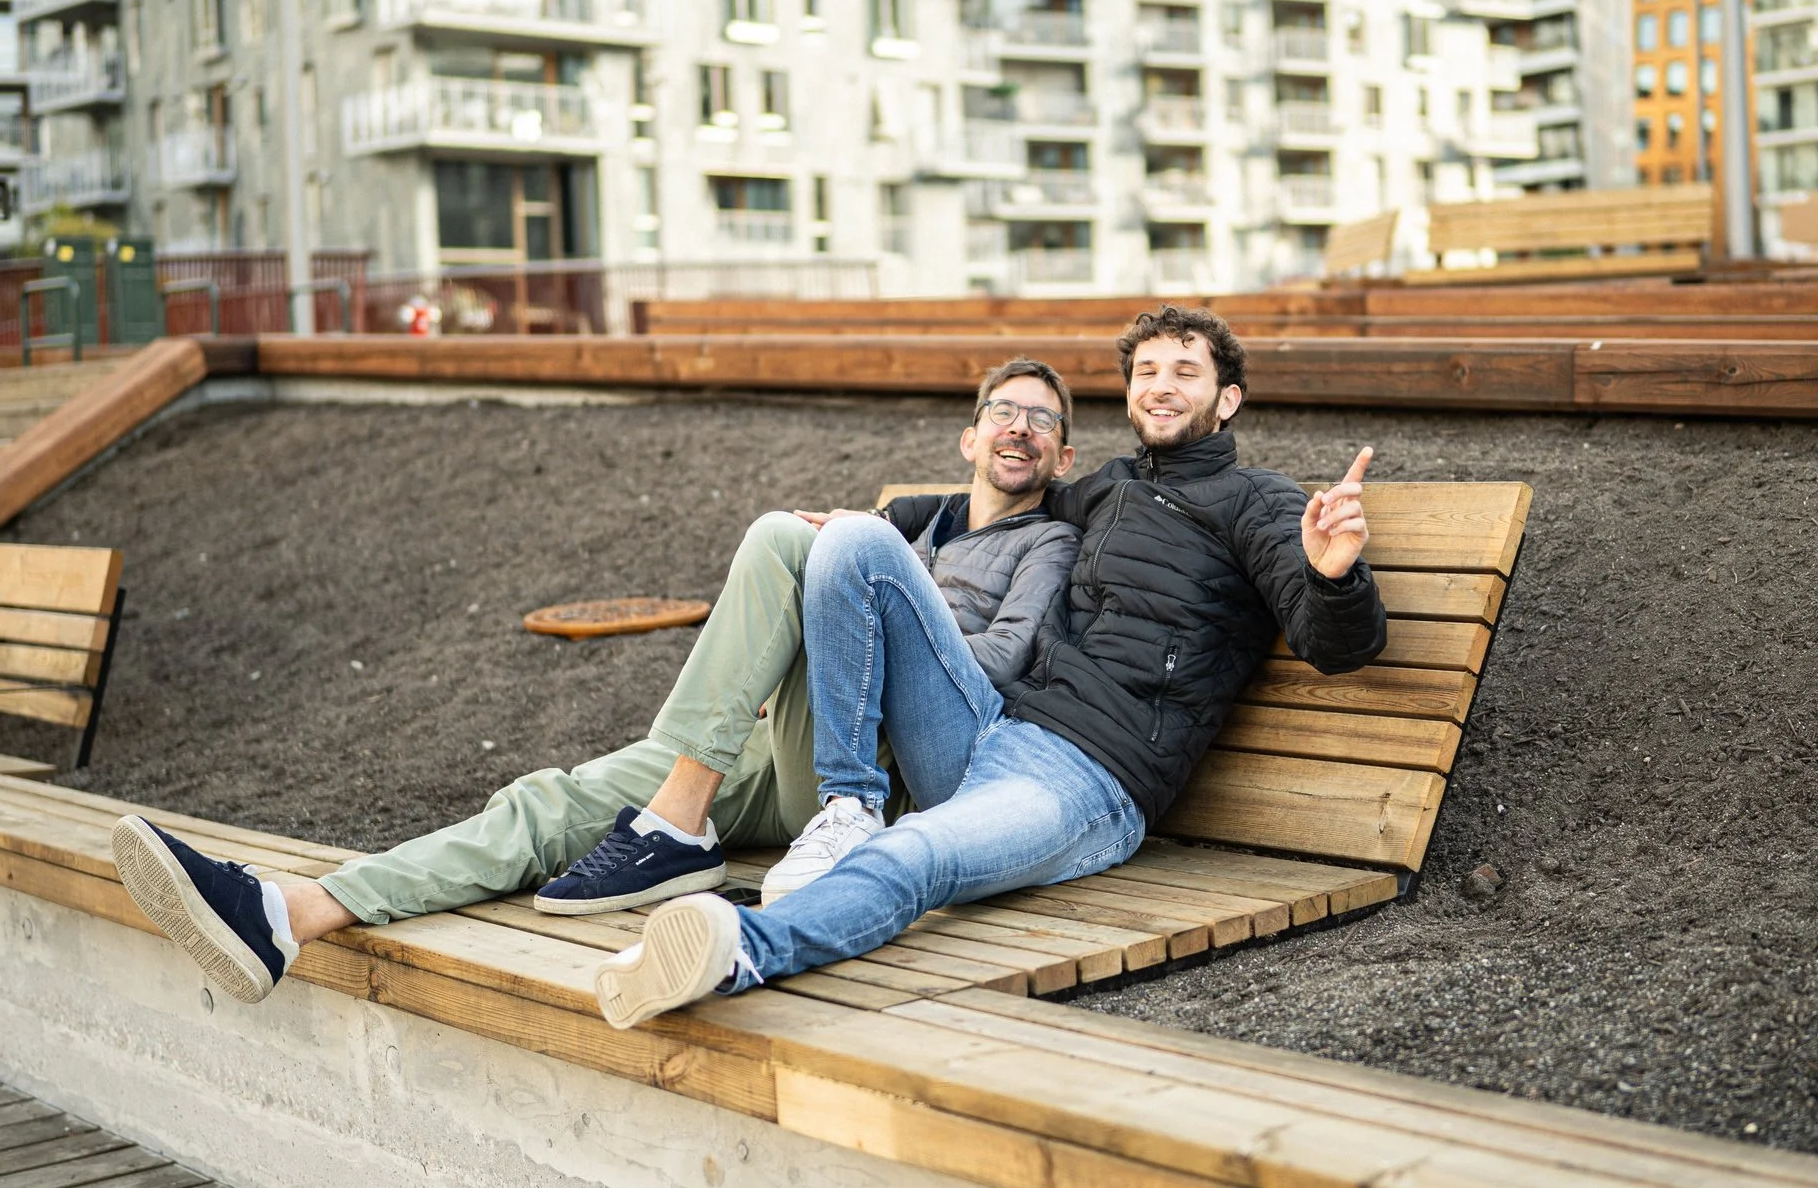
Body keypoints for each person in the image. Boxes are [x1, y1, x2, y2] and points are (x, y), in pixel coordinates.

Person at [110, 361, 1081, 1006]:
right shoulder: (911, 524)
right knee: (551, 803)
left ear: (1063, 456)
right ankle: (293, 913)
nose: (1020, 427)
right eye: (1003, 410)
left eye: (1043, 420)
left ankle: (675, 827)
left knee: (784, 537)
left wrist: (878, 595)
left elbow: (999, 665)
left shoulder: (1047, 542)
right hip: (769, 743)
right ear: (968, 436)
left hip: (870, 766)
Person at [591, 304, 1384, 1027]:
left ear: (1227, 398)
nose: (1161, 386)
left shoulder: (1258, 501)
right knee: (855, 542)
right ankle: (850, 804)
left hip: (1090, 782)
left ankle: (741, 949)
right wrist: (881, 520)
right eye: (1147, 371)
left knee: (918, 853)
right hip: (992, 729)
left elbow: (1336, 644)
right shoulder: (1109, 489)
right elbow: (996, 495)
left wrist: (1333, 571)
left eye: (1186, 371)